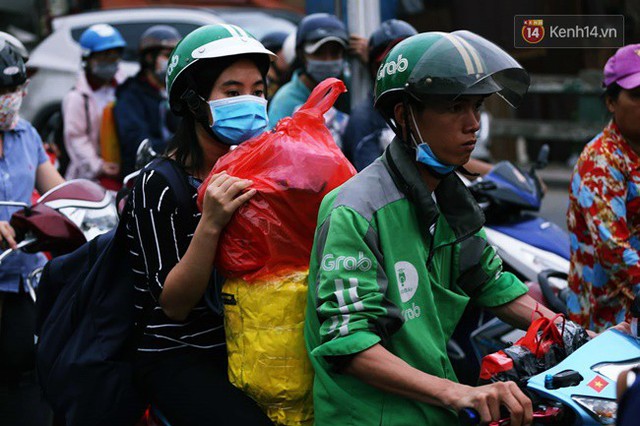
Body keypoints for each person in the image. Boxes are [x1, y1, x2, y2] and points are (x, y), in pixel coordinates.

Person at [304, 31, 560, 426]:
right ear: (406, 116)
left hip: (436, 407)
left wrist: (572, 332)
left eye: (476, 106)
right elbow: (349, 344)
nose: (473, 124)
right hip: (374, 415)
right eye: (456, 106)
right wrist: (459, 392)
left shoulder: (453, 199)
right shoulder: (355, 209)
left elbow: (490, 283)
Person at [126, 24, 275, 425]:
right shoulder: (158, 184)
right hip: (180, 353)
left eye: (258, 90)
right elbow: (173, 305)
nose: (250, 101)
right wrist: (211, 222)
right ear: (192, 101)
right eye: (232, 92)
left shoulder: (260, 170)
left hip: (252, 339)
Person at [0, 41, 64, 426]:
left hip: (25, 275)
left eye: (15, 90)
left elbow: (57, 189)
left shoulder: (26, 134)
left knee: (27, 370)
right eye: (1, 91)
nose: (10, 100)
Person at [567, 43, 640, 332]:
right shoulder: (601, 161)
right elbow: (613, 249)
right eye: (637, 95)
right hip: (608, 317)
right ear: (611, 102)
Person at [268, 13, 350, 147]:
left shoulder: (351, 89)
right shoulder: (286, 101)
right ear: (302, 55)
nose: (327, 61)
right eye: (319, 53)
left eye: (334, 53)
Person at [342, 19, 417, 165]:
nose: (400, 74)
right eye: (390, 67)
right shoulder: (365, 119)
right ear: (375, 70)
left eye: (406, 64)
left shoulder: (430, 106)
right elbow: (373, 182)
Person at [115, 25, 180, 177]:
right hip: (144, 173)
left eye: (175, 56)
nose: (172, 61)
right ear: (149, 58)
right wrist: (179, 148)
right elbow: (137, 143)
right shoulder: (130, 95)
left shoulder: (175, 91)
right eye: (167, 55)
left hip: (177, 166)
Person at [63, 24, 125, 183]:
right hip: (89, 179)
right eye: (104, 56)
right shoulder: (77, 98)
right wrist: (98, 166)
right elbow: (76, 138)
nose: (110, 62)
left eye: (114, 56)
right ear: (87, 58)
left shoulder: (123, 87)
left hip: (120, 172)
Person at [260, 31, 291, 98]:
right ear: (272, 54)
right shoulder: (261, 85)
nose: (290, 56)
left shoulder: (281, 82)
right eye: (286, 51)